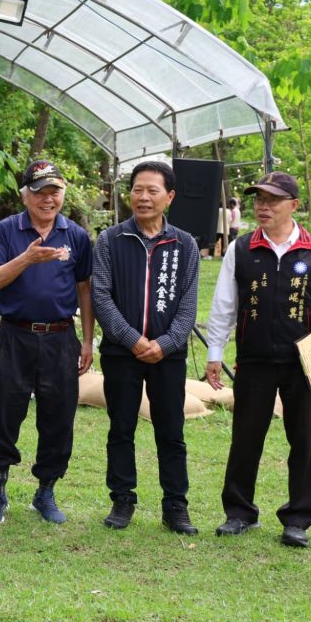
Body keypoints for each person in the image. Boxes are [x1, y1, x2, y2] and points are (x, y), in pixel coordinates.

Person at [206, 171, 311, 548]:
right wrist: (215, 352)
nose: (264, 206)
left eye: (273, 200)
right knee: (245, 437)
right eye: (259, 199)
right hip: (254, 359)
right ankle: (239, 512)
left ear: (294, 205)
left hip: (304, 362)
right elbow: (224, 305)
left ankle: (299, 519)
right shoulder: (241, 249)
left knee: (305, 439)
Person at [0, 160, 94, 525]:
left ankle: (46, 491)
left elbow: (84, 288)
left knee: (58, 416)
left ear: (63, 194)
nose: (48, 199)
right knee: (4, 411)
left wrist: (87, 341)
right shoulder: (7, 230)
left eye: (54, 191)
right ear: (25, 195)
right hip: (15, 335)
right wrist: (27, 258)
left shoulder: (75, 235)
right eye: (40, 191)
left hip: (60, 337)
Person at [92, 160, 200, 534]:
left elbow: (188, 303)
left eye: (152, 190)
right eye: (138, 189)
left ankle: (175, 506)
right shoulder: (110, 240)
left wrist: (165, 344)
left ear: (169, 197)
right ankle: (122, 500)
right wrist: (133, 340)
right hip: (121, 353)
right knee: (121, 428)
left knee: (171, 431)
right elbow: (101, 296)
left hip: (168, 356)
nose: (143, 197)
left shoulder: (184, 244)